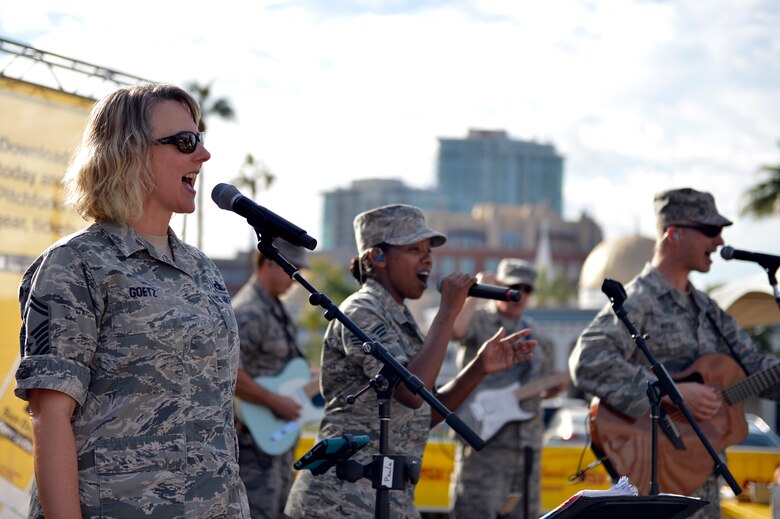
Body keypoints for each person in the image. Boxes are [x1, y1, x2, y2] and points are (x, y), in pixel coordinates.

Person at [15, 84, 250, 518]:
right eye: (185, 142)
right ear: (129, 153)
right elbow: (50, 419)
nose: (203, 156)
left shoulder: (203, 270)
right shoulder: (75, 264)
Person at [284, 204, 537, 518]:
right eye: (414, 249)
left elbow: (422, 413)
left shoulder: (400, 318)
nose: (428, 258)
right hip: (341, 500)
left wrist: (479, 367)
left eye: (428, 250)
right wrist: (448, 312)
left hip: (389, 497)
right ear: (377, 257)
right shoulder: (361, 311)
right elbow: (409, 393)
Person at [568, 187, 780, 519]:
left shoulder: (709, 309)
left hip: (705, 480)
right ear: (674, 234)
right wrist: (672, 393)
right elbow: (587, 360)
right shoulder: (639, 301)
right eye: (710, 231)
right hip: (655, 487)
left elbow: (755, 369)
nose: (719, 241)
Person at [449, 258, 567, 519]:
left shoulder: (539, 336)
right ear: (500, 286)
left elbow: (541, 392)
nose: (521, 294)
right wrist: (478, 291)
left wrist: (554, 389)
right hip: (483, 443)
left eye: (528, 289)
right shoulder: (478, 321)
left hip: (526, 448)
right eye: (515, 287)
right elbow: (455, 330)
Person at [233, 240, 312, 518]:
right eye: (291, 268)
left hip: (275, 442)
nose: (296, 277)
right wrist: (273, 401)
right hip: (253, 444)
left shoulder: (276, 309)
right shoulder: (249, 311)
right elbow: (230, 372)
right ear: (268, 262)